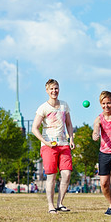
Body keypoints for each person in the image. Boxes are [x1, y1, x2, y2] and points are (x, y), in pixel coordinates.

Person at [32, 79, 75, 213]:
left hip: (64, 145)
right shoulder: (43, 108)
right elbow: (35, 128)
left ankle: (60, 203)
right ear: (47, 91)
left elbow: (68, 124)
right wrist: (45, 142)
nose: (54, 91)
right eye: (51, 89)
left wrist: (71, 138)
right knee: (52, 176)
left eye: (56, 88)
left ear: (59, 89)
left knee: (67, 174)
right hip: (49, 146)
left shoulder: (64, 105)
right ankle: (51, 206)